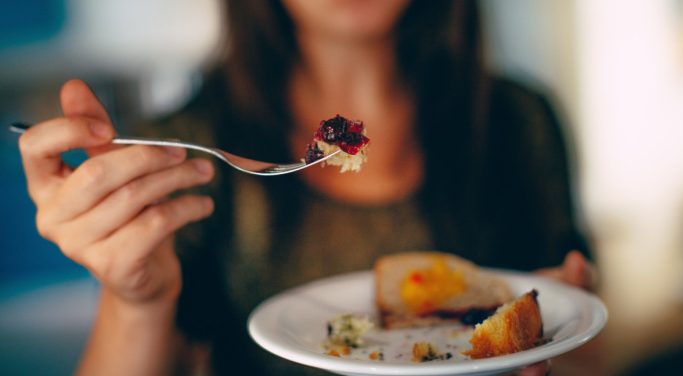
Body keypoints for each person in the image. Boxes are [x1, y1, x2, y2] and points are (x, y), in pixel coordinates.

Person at [16, 1, 601, 375]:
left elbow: (583, 352)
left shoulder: (520, 121)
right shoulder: (177, 153)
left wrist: (550, 342)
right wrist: (137, 299)